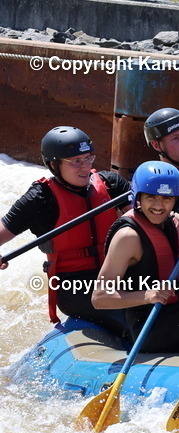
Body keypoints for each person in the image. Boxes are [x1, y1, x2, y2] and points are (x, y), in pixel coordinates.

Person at [0, 126, 129, 333]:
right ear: (54, 165)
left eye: (88, 158)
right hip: (75, 286)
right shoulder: (40, 199)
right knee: (133, 318)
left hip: (118, 273)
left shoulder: (111, 184)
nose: (85, 167)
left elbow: (143, 223)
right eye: (76, 161)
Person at [92, 161, 179, 353]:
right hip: (150, 326)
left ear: (175, 199)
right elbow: (99, 298)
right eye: (151, 197)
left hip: (177, 309)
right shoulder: (128, 237)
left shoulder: (175, 220)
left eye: (166, 198)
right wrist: (147, 295)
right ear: (138, 198)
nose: (159, 206)